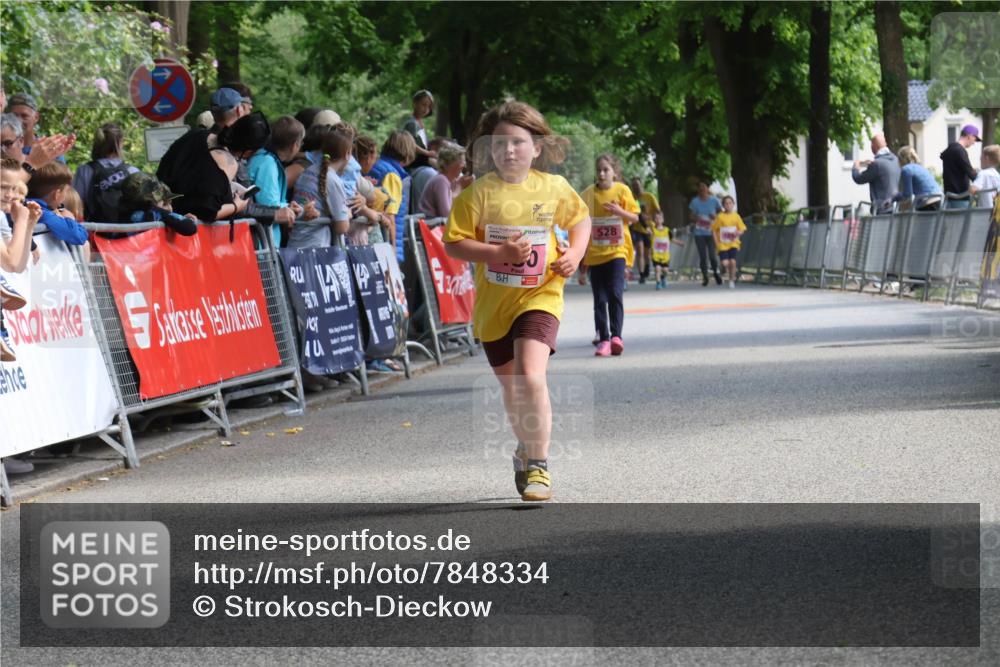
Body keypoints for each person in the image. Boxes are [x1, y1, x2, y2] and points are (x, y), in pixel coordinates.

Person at [444, 100, 590, 502]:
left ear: (537, 147)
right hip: (494, 307)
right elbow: (454, 244)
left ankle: (539, 466)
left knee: (531, 374)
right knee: (512, 389)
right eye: (500, 144)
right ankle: (526, 447)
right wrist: (497, 254)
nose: (509, 151)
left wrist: (575, 255)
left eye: (518, 143)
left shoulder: (554, 188)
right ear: (489, 150)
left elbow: (580, 221)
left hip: (540, 295)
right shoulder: (477, 195)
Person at [579, 153, 639, 357]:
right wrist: (582, 263)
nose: (602, 173)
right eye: (599, 170)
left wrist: (619, 211)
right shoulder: (588, 194)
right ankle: (603, 339)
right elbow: (580, 223)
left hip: (617, 251)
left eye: (606, 170)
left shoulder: (622, 190)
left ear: (614, 172)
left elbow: (635, 218)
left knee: (615, 293)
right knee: (600, 299)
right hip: (595, 254)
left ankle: (616, 337)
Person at [158, 112, 268, 221]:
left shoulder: (195, 134)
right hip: (179, 226)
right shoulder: (229, 164)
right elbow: (207, 212)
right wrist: (236, 206)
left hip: (155, 212)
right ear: (248, 152)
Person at [289, 127, 352, 249]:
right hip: (316, 249)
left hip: (294, 244)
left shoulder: (306, 172)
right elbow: (342, 227)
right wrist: (348, 215)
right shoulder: (333, 180)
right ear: (347, 153)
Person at [248, 115, 305, 247]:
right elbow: (269, 206)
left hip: (264, 241)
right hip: (261, 244)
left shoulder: (266, 159)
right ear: (295, 145)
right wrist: (290, 208)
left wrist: (289, 207)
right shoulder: (267, 163)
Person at [72, 122, 139, 221]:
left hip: (95, 231)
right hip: (129, 232)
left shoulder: (85, 170)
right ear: (120, 143)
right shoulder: (132, 171)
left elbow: (76, 204)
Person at [368, 131, 416, 260]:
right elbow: (390, 214)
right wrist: (392, 248)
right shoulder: (391, 175)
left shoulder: (377, 166)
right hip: (383, 242)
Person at [115, 172, 197, 236]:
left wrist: (178, 219)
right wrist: (163, 213)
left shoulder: (127, 212)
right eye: (164, 204)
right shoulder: (148, 213)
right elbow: (189, 228)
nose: (169, 208)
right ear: (149, 203)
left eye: (170, 203)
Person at [25, 162, 88, 245]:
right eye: (65, 191)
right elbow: (78, 236)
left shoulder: (24, 204)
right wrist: (70, 219)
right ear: (57, 194)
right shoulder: (41, 213)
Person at [418, 140, 469, 218]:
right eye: (462, 160)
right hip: (432, 227)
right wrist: (459, 187)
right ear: (450, 163)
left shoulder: (446, 180)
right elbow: (446, 215)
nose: (464, 165)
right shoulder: (441, 181)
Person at [852, 132, 900, 213]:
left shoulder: (877, 164)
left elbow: (858, 179)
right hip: (895, 207)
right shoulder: (896, 160)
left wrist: (856, 166)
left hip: (882, 209)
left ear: (873, 147)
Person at [688, 181, 723, 285]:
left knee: (712, 256)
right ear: (698, 190)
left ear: (708, 189)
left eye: (704, 188)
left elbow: (721, 213)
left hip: (711, 232)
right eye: (700, 188)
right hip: (699, 233)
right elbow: (690, 216)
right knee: (703, 256)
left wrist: (715, 217)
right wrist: (696, 218)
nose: (703, 190)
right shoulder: (695, 202)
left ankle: (716, 273)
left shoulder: (714, 200)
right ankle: (705, 277)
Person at [941, 124, 980, 207]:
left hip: (949, 197)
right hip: (961, 197)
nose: (974, 143)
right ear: (969, 136)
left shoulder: (949, 149)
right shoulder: (960, 151)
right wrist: (982, 179)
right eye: (975, 139)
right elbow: (970, 172)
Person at [711, 195, 746, 289]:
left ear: (733, 204)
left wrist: (739, 232)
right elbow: (714, 230)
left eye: (730, 203)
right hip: (722, 244)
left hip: (734, 243)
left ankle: (731, 280)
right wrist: (716, 242)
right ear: (723, 205)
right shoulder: (720, 217)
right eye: (726, 203)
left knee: (733, 261)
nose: (728, 205)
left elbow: (742, 228)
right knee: (726, 263)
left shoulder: (736, 216)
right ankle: (723, 269)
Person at [629, 177, 659, 284]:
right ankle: (641, 274)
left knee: (647, 253)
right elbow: (638, 214)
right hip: (637, 228)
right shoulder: (632, 199)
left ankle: (646, 267)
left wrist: (656, 222)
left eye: (637, 185)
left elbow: (657, 211)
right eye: (634, 186)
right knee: (640, 251)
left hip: (649, 228)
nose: (636, 187)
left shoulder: (649, 197)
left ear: (641, 185)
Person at [895, 146, 942, 211]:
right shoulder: (921, 168)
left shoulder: (906, 169)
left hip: (927, 203)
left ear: (901, 159)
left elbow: (907, 195)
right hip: (939, 201)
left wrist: (894, 197)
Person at [401, 90, 436, 170]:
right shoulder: (412, 124)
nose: (426, 109)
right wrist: (427, 153)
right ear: (415, 103)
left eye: (429, 106)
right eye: (423, 104)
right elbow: (410, 144)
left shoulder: (421, 124)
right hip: (413, 162)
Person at [971, 144, 1000, 209]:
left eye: (981, 158)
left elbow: (973, 189)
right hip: (995, 213)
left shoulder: (983, 174)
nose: (980, 160)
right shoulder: (997, 175)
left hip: (984, 213)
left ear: (986, 158)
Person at [650, 211, 672, 290]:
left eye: (659, 218)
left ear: (663, 220)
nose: (658, 220)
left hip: (665, 255)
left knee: (665, 270)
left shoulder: (667, 230)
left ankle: (663, 278)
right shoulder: (652, 230)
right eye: (656, 218)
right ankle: (658, 283)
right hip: (656, 254)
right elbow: (650, 235)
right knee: (657, 268)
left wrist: (680, 243)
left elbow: (671, 239)